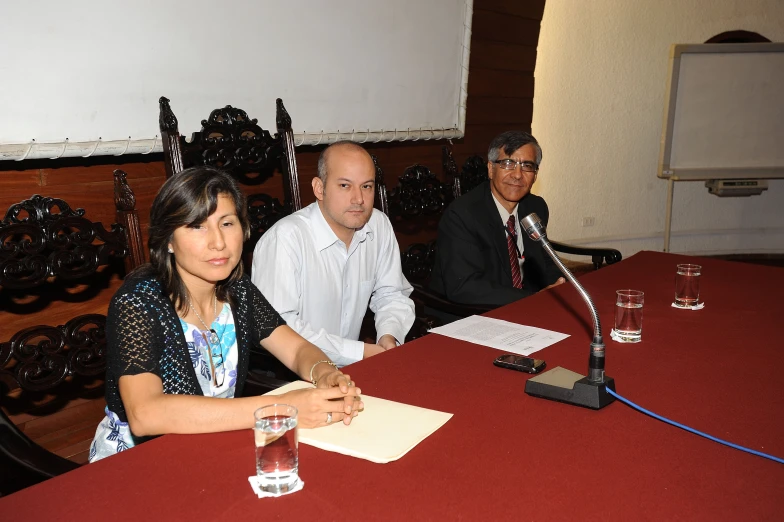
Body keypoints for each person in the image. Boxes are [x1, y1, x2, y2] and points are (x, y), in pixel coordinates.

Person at [89, 166, 362, 462]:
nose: (218, 242)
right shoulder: (137, 303)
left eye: (227, 223)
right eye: (197, 226)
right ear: (167, 240)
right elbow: (146, 414)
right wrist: (280, 407)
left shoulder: (238, 290)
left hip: (213, 446)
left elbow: (295, 349)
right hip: (137, 462)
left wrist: (325, 373)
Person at [252, 141, 415, 367]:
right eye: (345, 186)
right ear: (319, 188)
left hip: (357, 366)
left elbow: (391, 293)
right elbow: (280, 326)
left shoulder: (378, 224)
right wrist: (361, 352)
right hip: (292, 375)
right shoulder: (285, 239)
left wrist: (389, 336)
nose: (358, 199)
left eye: (366, 186)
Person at [429, 131, 565, 317]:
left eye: (527, 166)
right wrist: (532, 299)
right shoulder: (462, 215)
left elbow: (545, 261)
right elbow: (464, 287)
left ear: (535, 175)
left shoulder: (535, 207)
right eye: (508, 164)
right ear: (491, 169)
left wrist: (558, 286)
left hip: (525, 307)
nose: (517, 175)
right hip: (469, 314)